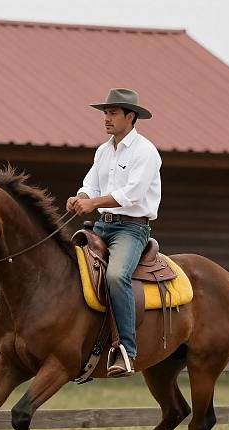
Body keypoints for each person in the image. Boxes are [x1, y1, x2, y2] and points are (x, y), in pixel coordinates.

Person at [67, 88, 162, 377]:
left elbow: (132, 194)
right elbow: (91, 185)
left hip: (131, 229)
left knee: (115, 275)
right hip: (102, 226)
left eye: (112, 113)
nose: (106, 118)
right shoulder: (103, 150)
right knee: (68, 269)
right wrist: (79, 196)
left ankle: (126, 351)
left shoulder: (146, 151)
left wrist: (92, 202)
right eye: (105, 113)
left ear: (130, 117)